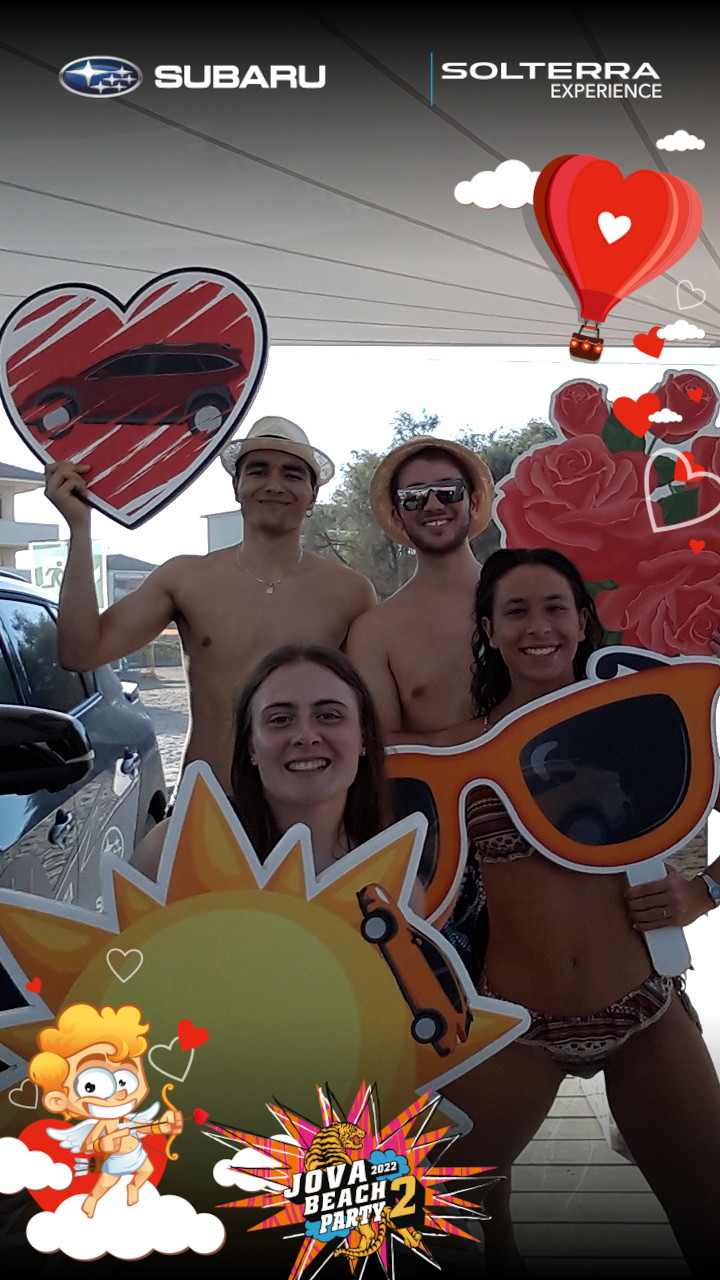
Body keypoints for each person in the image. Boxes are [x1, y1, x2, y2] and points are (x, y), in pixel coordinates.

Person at [428, 548, 720, 1277]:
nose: (539, 627)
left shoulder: (640, 724)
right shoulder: (454, 752)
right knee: (431, 1238)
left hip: (645, 1014)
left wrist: (702, 893)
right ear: (488, 629)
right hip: (510, 1030)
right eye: (516, 611)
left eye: (555, 607)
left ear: (583, 621)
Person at [44, 417, 376, 793]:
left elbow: (372, 714)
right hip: (209, 801)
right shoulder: (186, 579)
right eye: (258, 471)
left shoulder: (350, 592)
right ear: (236, 487)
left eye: (292, 474)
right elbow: (82, 651)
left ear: (313, 495)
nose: (274, 484)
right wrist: (80, 529)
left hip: (314, 802)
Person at [132, 642, 393, 878]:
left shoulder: (397, 878)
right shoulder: (173, 851)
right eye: (281, 719)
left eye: (329, 716)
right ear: (251, 746)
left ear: (363, 737)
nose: (306, 736)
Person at [346, 437, 494, 743]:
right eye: (413, 497)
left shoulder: (525, 602)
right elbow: (383, 745)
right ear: (397, 515)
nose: (433, 505)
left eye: (448, 490)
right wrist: (491, 731)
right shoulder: (374, 632)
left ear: (473, 502)